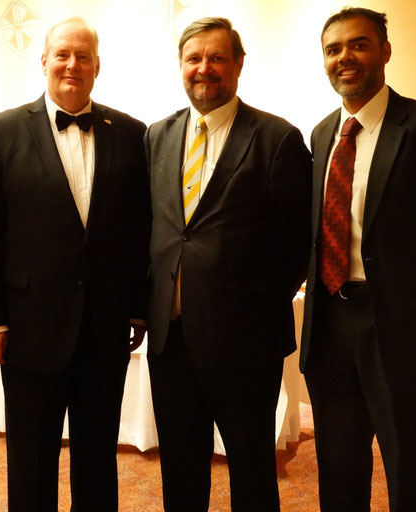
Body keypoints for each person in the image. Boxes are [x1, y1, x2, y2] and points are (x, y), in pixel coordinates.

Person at [300, 7, 416, 512]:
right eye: (334, 49)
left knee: (413, 463)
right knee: (338, 461)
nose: (345, 58)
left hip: (405, 333)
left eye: (358, 45)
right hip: (331, 326)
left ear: (384, 51)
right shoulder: (319, 137)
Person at [0, 17, 150, 512]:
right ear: (44, 61)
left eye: (83, 56)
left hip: (103, 327)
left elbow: (138, 231)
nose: (73, 65)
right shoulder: (0, 131)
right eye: (62, 55)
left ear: (97, 66)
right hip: (29, 329)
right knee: (30, 459)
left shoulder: (132, 133)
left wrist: (136, 309)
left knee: (97, 459)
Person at [145, 17, 312, 511]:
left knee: (251, 468)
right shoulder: (157, 135)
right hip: (171, 339)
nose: (204, 68)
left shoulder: (277, 138)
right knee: (180, 465)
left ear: (239, 64)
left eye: (217, 57)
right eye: (194, 58)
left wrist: (251, 309)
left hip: (246, 344)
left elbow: (297, 245)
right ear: (181, 66)